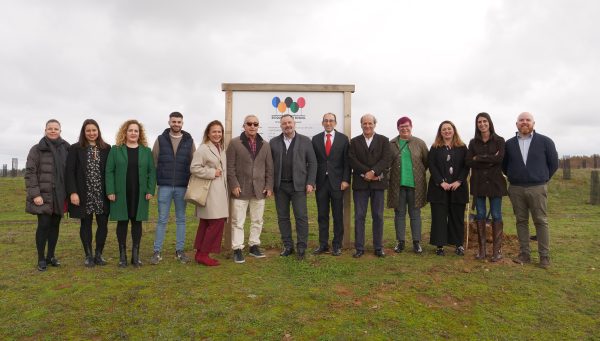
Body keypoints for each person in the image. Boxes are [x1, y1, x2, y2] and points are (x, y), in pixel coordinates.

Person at [503, 112, 558, 269]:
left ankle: (544, 257)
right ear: (516, 124)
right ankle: (524, 254)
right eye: (521, 120)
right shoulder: (509, 144)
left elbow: (553, 164)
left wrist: (542, 178)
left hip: (537, 187)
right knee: (521, 221)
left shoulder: (545, 141)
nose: (524, 122)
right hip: (516, 188)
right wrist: (516, 176)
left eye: (528, 120)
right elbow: (504, 166)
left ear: (534, 123)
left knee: (541, 221)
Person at [106, 120, 156, 268]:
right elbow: (109, 171)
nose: (133, 133)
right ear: (125, 132)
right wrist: (110, 191)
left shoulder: (146, 151)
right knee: (122, 222)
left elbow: (151, 172)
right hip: (121, 193)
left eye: (136, 131)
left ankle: (136, 255)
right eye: (130, 130)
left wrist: (150, 190)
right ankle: (122, 256)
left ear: (139, 134)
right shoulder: (115, 150)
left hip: (139, 193)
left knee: (137, 222)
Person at [150, 112, 196, 265]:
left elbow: (193, 162)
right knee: (162, 219)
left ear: (182, 123)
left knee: (181, 219)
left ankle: (180, 251)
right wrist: (156, 181)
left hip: (182, 186)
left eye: (179, 122)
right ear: (169, 122)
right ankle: (157, 251)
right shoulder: (160, 139)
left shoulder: (189, 141)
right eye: (174, 121)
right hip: (164, 186)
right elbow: (154, 161)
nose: (176, 124)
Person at [226, 115, 273, 264]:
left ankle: (254, 246)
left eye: (255, 124)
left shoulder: (265, 145)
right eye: (249, 124)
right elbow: (230, 167)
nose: (252, 126)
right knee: (238, 221)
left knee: (257, 220)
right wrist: (234, 184)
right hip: (240, 189)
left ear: (258, 126)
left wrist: (269, 186)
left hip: (259, 189)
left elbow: (269, 168)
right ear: (244, 125)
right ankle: (238, 249)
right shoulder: (234, 143)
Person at [270, 114, 317, 260]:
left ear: (294, 123)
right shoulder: (273, 142)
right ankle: (288, 246)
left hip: (299, 186)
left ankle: (301, 247)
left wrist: (310, 182)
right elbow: (269, 166)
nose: (287, 125)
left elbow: (313, 163)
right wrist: (270, 185)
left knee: (301, 217)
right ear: (281, 125)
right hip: (280, 186)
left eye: (289, 122)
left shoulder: (305, 141)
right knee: (283, 217)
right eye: (284, 123)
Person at [25, 119, 70, 271]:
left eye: (55, 128)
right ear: (45, 130)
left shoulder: (66, 148)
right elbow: (30, 174)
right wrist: (35, 194)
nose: (53, 131)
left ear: (60, 131)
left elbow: (70, 171)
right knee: (43, 225)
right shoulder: (36, 149)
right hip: (43, 195)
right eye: (50, 128)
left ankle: (51, 256)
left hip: (60, 195)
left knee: (55, 226)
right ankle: (41, 258)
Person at [66, 119, 111, 267]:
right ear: (83, 132)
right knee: (85, 224)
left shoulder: (106, 148)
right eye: (88, 131)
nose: (91, 133)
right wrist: (73, 192)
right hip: (83, 193)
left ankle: (99, 254)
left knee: (103, 224)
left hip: (101, 193)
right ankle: (88, 255)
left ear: (98, 131)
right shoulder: (75, 148)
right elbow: (69, 172)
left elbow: (110, 172)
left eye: (94, 130)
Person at [465, 112, 507, 262]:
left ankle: (497, 251)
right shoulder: (473, 142)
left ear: (489, 123)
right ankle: (482, 250)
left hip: (495, 183)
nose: (482, 124)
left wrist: (479, 158)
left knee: (496, 214)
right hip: (478, 183)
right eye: (479, 122)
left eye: (484, 121)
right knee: (481, 214)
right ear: (476, 125)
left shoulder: (499, 140)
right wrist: (489, 160)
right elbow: (469, 161)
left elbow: (500, 158)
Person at [348, 114, 390, 258]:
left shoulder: (384, 140)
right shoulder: (354, 142)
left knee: (378, 216)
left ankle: (378, 247)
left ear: (374, 124)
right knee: (359, 216)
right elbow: (352, 160)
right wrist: (366, 173)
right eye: (364, 123)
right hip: (360, 184)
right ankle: (359, 248)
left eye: (370, 123)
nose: (367, 126)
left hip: (378, 184)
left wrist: (373, 172)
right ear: (361, 125)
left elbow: (386, 159)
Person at [387, 116, 429, 254]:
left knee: (415, 213)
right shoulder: (391, 144)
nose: (404, 128)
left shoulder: (420, 143)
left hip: (415, 185)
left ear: (411, 126)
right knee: (399, 214)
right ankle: (400, 242)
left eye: (407, 126)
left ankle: (416, 242)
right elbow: (387, 163)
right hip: (397, 185)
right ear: (397, 128)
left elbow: (426, 162)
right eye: (401, 126)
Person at [427, 120, 469, 256]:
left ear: (454, 130)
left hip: (458, 188)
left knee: (456, 217)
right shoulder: (435, 147)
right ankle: (440, 245)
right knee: (439, 217)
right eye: (444, 129)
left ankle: (458, 244)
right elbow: (431, 165)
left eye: (449, 129)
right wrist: (440, 182)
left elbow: (466, 166)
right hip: (439, 188)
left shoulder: (462, 147)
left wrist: (459, 181)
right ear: (440, 132)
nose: (447, 131)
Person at [311, 112, 350, 256]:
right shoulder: (315, 139)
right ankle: (323, 244)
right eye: (326, 121)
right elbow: (312, 162)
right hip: (321, 183)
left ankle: (337, 245)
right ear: (322, 123)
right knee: (322, 215)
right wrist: (312, 181)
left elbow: (347, 162)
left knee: (338, 215)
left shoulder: (343, 139)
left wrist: (346, 180)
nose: (328, 123)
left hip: (338, 183)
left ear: (335, 123)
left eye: (331, 121)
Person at [190, 120, 229, 266]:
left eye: (219, 131)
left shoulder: (221, 148)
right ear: (208, 133)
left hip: (220, 191)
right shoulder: (203, 149)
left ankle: (200, 253)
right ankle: (205, 255)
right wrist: (212, 172)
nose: (217, 134)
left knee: (206, 223)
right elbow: (194, 168)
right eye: (214, 131)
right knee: (216, 223)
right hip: (209, 191)